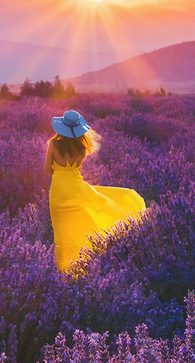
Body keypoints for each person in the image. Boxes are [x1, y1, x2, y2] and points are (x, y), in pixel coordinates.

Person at [45, 110, 146, 272]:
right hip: (76, 188)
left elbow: (47, 168)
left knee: (61, 229)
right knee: (84, 220)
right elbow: (76, 169)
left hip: (58, 191)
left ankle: (63, 269)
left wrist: (58, 176)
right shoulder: (81, 147)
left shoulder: (53, 144)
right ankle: (83, 263)